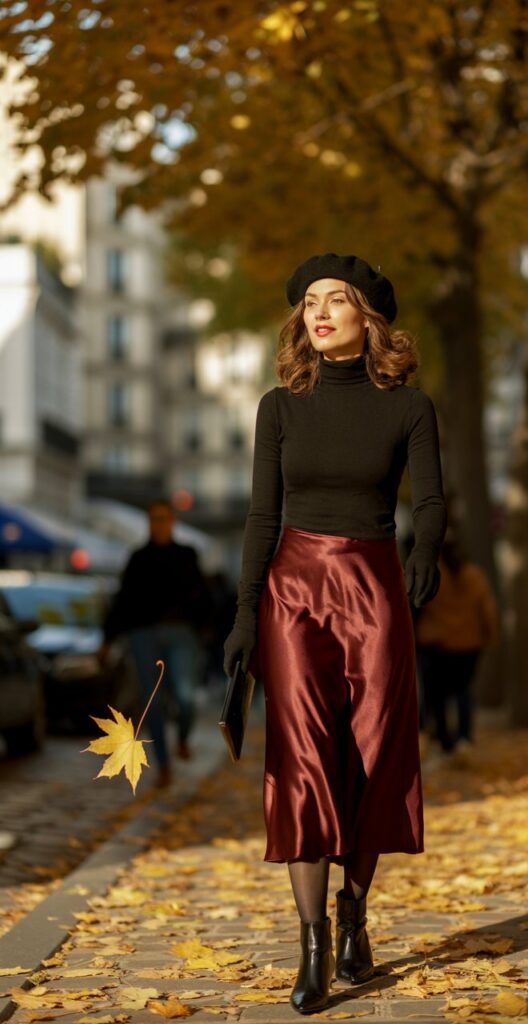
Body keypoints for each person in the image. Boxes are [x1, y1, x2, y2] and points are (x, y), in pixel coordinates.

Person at [223, 253, 447, 1015]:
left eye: (336, 300)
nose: (318, 312)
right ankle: (313, 943)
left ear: (367, 317)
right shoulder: (279, 408)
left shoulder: (409, 407)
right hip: (293, 591)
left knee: (374, 755)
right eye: (310, 302)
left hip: (374, 587)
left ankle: (355, 913)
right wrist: (246, 614)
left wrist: (425, 552)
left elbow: (432, 499)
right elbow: (261, 515)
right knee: (304, 758)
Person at [100, 499, 212, 788]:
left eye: (163, 518)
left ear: (172, 522)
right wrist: (108, 638)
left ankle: (183, 738)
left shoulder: (186, 555)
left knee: (186, 698)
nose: (158, 525)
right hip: (144, 634)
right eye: (153, 519)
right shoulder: (138, 558)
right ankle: (163, 765)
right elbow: (123, 599)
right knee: (153, 702)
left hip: (181, 633)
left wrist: (206, 629)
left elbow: (202, 594)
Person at [415, 533, 499, 760]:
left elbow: (418, 606)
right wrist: (489, 636)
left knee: (438, 694)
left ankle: (443, 739)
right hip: (468, 644)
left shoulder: (432, 574)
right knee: (463, 690)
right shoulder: (475, 576)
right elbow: (488, 609)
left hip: (437, 644)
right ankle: (464, 736)